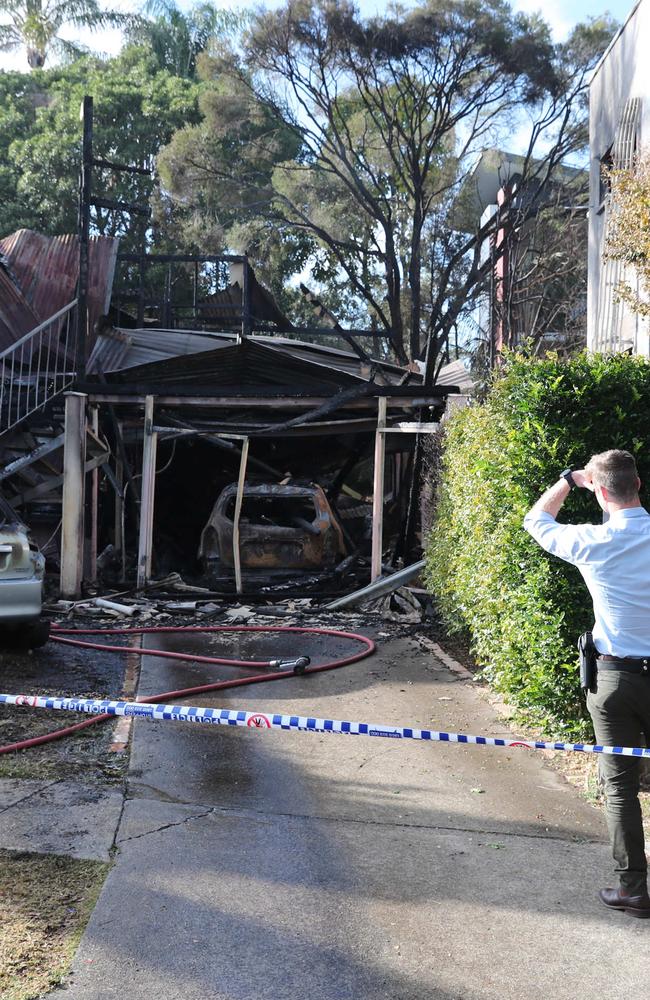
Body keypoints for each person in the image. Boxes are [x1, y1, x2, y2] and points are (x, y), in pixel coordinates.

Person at [523, 449, 650, 918]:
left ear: (599, 490)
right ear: (637, 484)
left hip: (615, 680)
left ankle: (633, 889)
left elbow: (536, 520)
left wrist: (566, 481)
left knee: (620, 789)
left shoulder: (591, 542)